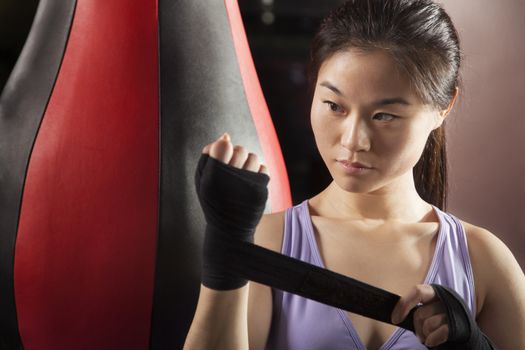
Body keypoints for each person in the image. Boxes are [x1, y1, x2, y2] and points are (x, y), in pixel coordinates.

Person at [184, 0, 525, 349]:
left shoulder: (483, 261)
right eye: (334, 106)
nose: (353, 140)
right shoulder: (270, 242)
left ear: (443, 108)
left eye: (384, 116)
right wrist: (225, 248)